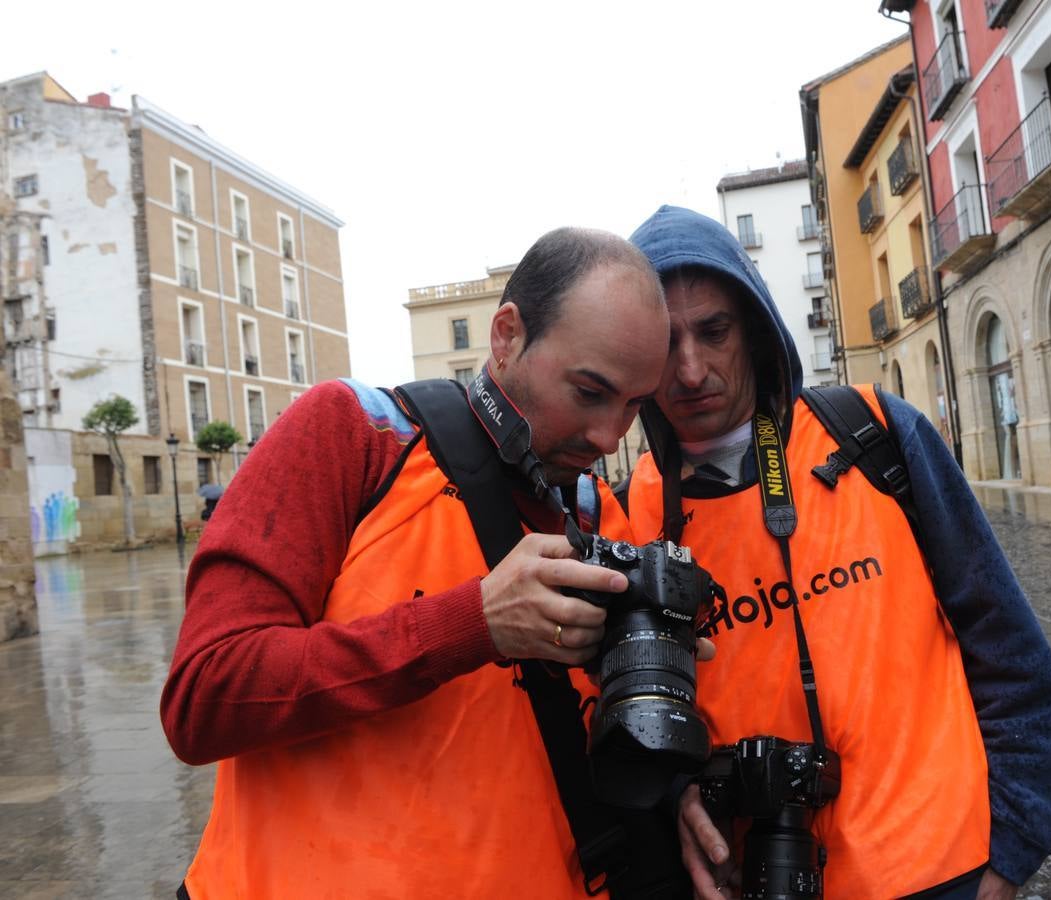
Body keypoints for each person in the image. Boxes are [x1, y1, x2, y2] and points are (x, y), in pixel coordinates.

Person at [160, 227, 675, 898]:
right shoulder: (351, 434)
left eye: (635, 404)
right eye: (589, 392)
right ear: (507, 335)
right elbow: (204, 700)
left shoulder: (596, 510)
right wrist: (474, 624)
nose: (610, 436)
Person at [623, 206, 1051, 899]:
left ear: (753, 327)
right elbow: (641, 715)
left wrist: (1010, 854)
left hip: (942, 872)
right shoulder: (636, 509)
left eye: (713, 331)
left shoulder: (875, 432)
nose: (690, 370)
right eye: (665, 343)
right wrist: (678, 792)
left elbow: (1009, 650)